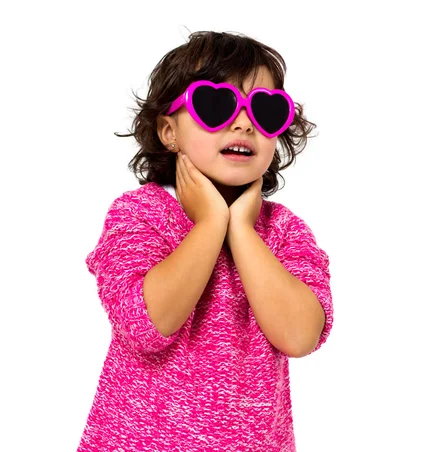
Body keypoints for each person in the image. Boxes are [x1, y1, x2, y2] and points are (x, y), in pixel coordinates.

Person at [77, 31, 334, 451]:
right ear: (168, 131)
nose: (244, 123)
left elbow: (300, 335)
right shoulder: (139, 215)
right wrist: (210, 223)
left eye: (265, 111)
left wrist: (242, 231)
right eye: (216, 105)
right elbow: (148, 325)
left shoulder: (285, 232)